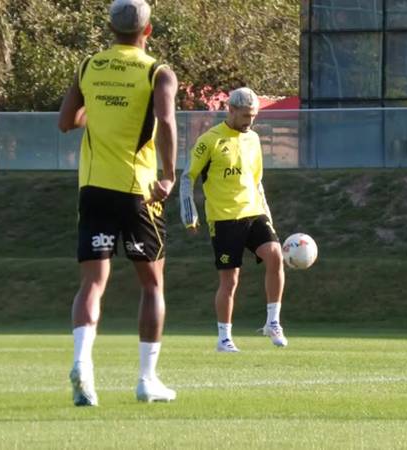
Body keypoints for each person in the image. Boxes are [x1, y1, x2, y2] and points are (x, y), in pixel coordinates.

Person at [57, 0, 178, 405]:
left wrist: (100, 114)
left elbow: (66, 121)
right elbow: (165, 122)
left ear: (110, 29)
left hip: (93, 188)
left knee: (92, 284)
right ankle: (147, 379)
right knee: (152, 284)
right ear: (148, 30)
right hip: (138, 190)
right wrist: (168, 174)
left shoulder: (90, 65)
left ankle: (83, 365)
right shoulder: (157, 71)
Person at [180, 87, 287, 353]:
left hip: (253, 211)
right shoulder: (210, 140)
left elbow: (257, 180)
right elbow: (187, 177)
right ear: (230, 110)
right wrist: (189, 212)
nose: (249, 121)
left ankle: (272, 322)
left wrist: (268, 215)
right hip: (224, 218)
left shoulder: (253, 139)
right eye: (245, 115)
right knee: (230, 280)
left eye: (253, 116)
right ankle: (224, 338)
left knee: (275, 254)